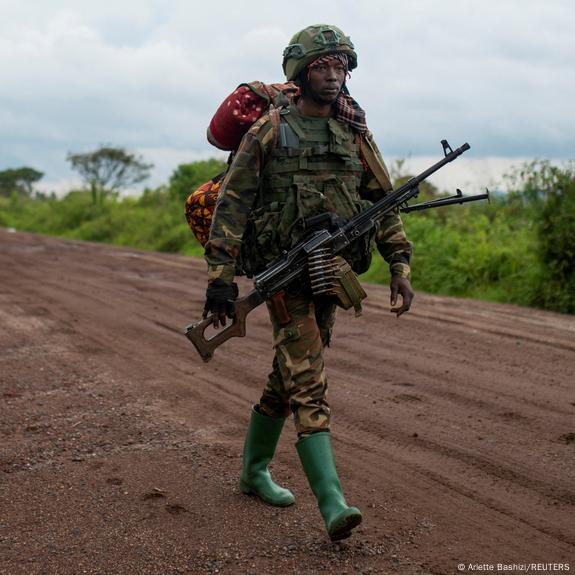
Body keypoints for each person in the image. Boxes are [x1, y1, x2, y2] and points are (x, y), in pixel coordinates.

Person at [202, 24, 414, 541]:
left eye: (341, 65)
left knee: (290, 371)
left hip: (331, 273)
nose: (334, 74)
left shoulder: (353, 134)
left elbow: (381, 204)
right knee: (309, 381)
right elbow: (232, 207)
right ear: (301, 70)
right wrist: (221, 282)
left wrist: (400, 265)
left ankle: (253, 473)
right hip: (283, 276)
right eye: (323, 65)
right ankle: (333, 503)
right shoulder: (271, 130)